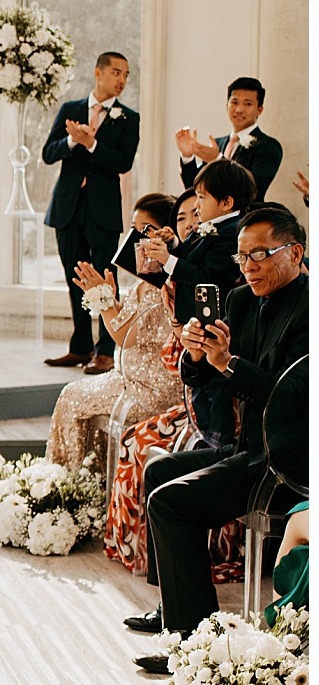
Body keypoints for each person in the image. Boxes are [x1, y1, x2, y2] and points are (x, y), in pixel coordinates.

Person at [130, 205, 309, 666]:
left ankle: (195, 648)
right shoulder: (241, 300)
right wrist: (196, 353)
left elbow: (291, 400)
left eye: (261, 255)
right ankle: (177, 609)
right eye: (242, 256)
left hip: (290, 460)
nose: (248, 266)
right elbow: (203, 379)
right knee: (158, 468)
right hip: (247, 448)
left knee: (171, 503)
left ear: (297, 253)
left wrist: (228, 362)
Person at [105, 191, 242, 582]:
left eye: (195, 214)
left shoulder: (193, 280)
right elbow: (179, 357)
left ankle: (189, 565)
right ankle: (145, 563)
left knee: (145, 447)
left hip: (180, 396)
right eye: (184, 217)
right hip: (183, 387)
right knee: (139, 448)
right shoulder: (166, 283)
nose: (189, 223)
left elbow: (139, 343)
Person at [45, 193, 181, 470]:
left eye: (143, 229)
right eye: (133, 228)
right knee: (76, 394)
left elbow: (123, 337)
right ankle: (87, 483)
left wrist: (102, 298)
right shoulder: (154, 277)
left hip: (148, 387)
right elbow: (131, 325)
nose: (134, 237)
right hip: (137, 378)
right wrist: (109, 299)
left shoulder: (158, 282)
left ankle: (67, 482)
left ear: (165, 234)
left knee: (71, 397)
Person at [42, 52, 140, 375]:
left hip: (104, 211)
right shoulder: (70, 110)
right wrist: (72, 141)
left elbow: (123, 162)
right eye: (116, 72)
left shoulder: (130, 118)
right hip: (68, 208)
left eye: (126, 75)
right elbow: (47, 153)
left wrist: (93, 144)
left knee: (105, 280)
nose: (122, 80)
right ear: (98, 73)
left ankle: (106, 351)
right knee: (75, 280)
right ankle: (79, 347)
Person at [138, 157, 254, 324]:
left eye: (201, 197)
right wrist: (173, 244)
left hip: (209, 322)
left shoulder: (232, 233)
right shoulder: (210, 224)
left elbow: (206, 277)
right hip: (189, 318)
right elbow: (191, 258)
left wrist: (167, 260)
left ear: (227, 202)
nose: (197, 205)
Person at [176, 77, 282, 202]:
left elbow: (256, 187)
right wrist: (187, 156)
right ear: (227, 105)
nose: (239, 110)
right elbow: (194, 187)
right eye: (235, 102)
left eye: (248, 104)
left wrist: (218, 160)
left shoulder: (268, 145)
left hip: (246, 218)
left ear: (259, 109)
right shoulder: (218, 144)